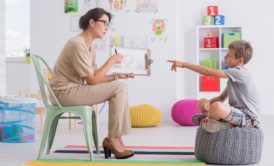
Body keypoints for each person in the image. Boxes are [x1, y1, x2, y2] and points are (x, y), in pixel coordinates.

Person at [50, 8, 134, 159]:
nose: (107, 28)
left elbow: (95, 78)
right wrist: (112, 60)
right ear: (92, 22)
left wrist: (116, 76)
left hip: (74, 89)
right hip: (63, 93)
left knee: (120, 85)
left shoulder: (90, 46)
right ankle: (113, 139)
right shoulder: (77, 44)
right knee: (119, 88)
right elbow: (93, 80)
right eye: (105, 23)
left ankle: (115, 137)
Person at [167, 40, 260, 130]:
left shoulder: (241, 72)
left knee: (217, 107)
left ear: (240, 61)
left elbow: (209, 72)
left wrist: (183, 64)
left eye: (229, 55)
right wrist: (207, 104)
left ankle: (212, 120)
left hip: (250, 119)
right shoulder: (233, 79)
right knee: (203, 102)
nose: (225, 57)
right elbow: (221, 98)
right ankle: (215, 121)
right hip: (236, 114)